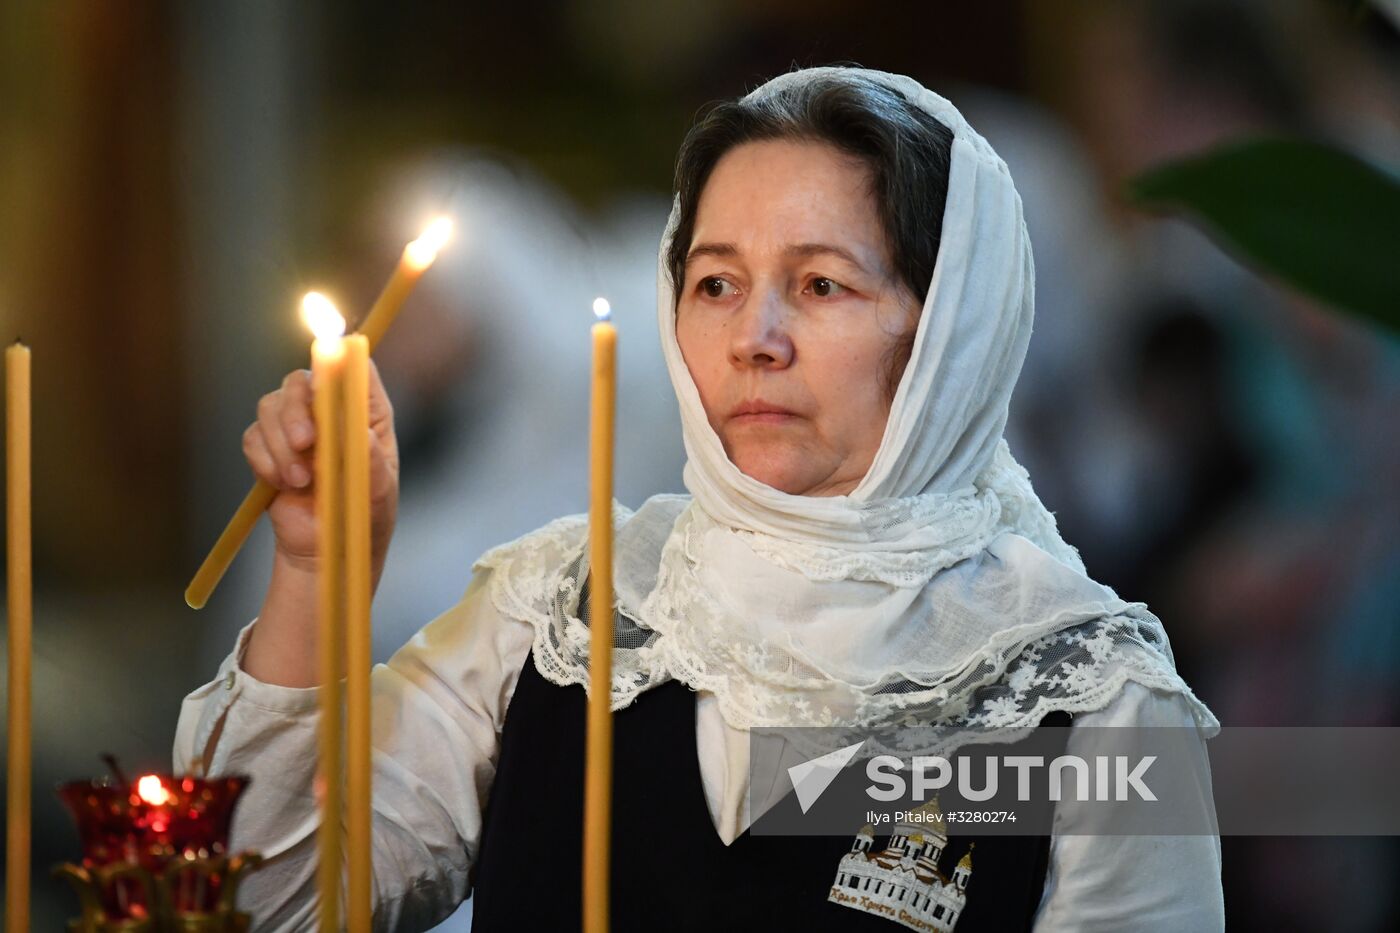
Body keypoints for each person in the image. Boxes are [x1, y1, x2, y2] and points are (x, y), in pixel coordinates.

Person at [175, 66, 1224, 931]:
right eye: (715, 282)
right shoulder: (565, 611)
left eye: (819, 285)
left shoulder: (1089, 700)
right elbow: (267, 901)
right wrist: (318, 571)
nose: (750, 339)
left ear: (948, 329)